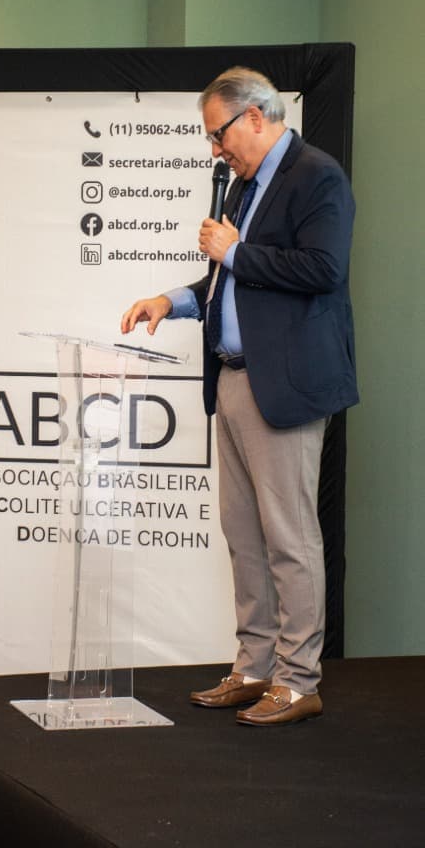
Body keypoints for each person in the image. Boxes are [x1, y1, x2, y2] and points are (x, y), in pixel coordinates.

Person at [121, 66, 358, 726]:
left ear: (255, 116)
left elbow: (324, 269)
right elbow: (227, 281)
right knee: (244, 535)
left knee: (289, 538)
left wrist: (236, 251)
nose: (215, 148)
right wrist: (170, 300)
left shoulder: (316, 176)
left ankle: (297, 680)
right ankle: (253, 668)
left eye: (218, 133)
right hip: (231, 379)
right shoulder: (246, 186)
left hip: (283, 383)